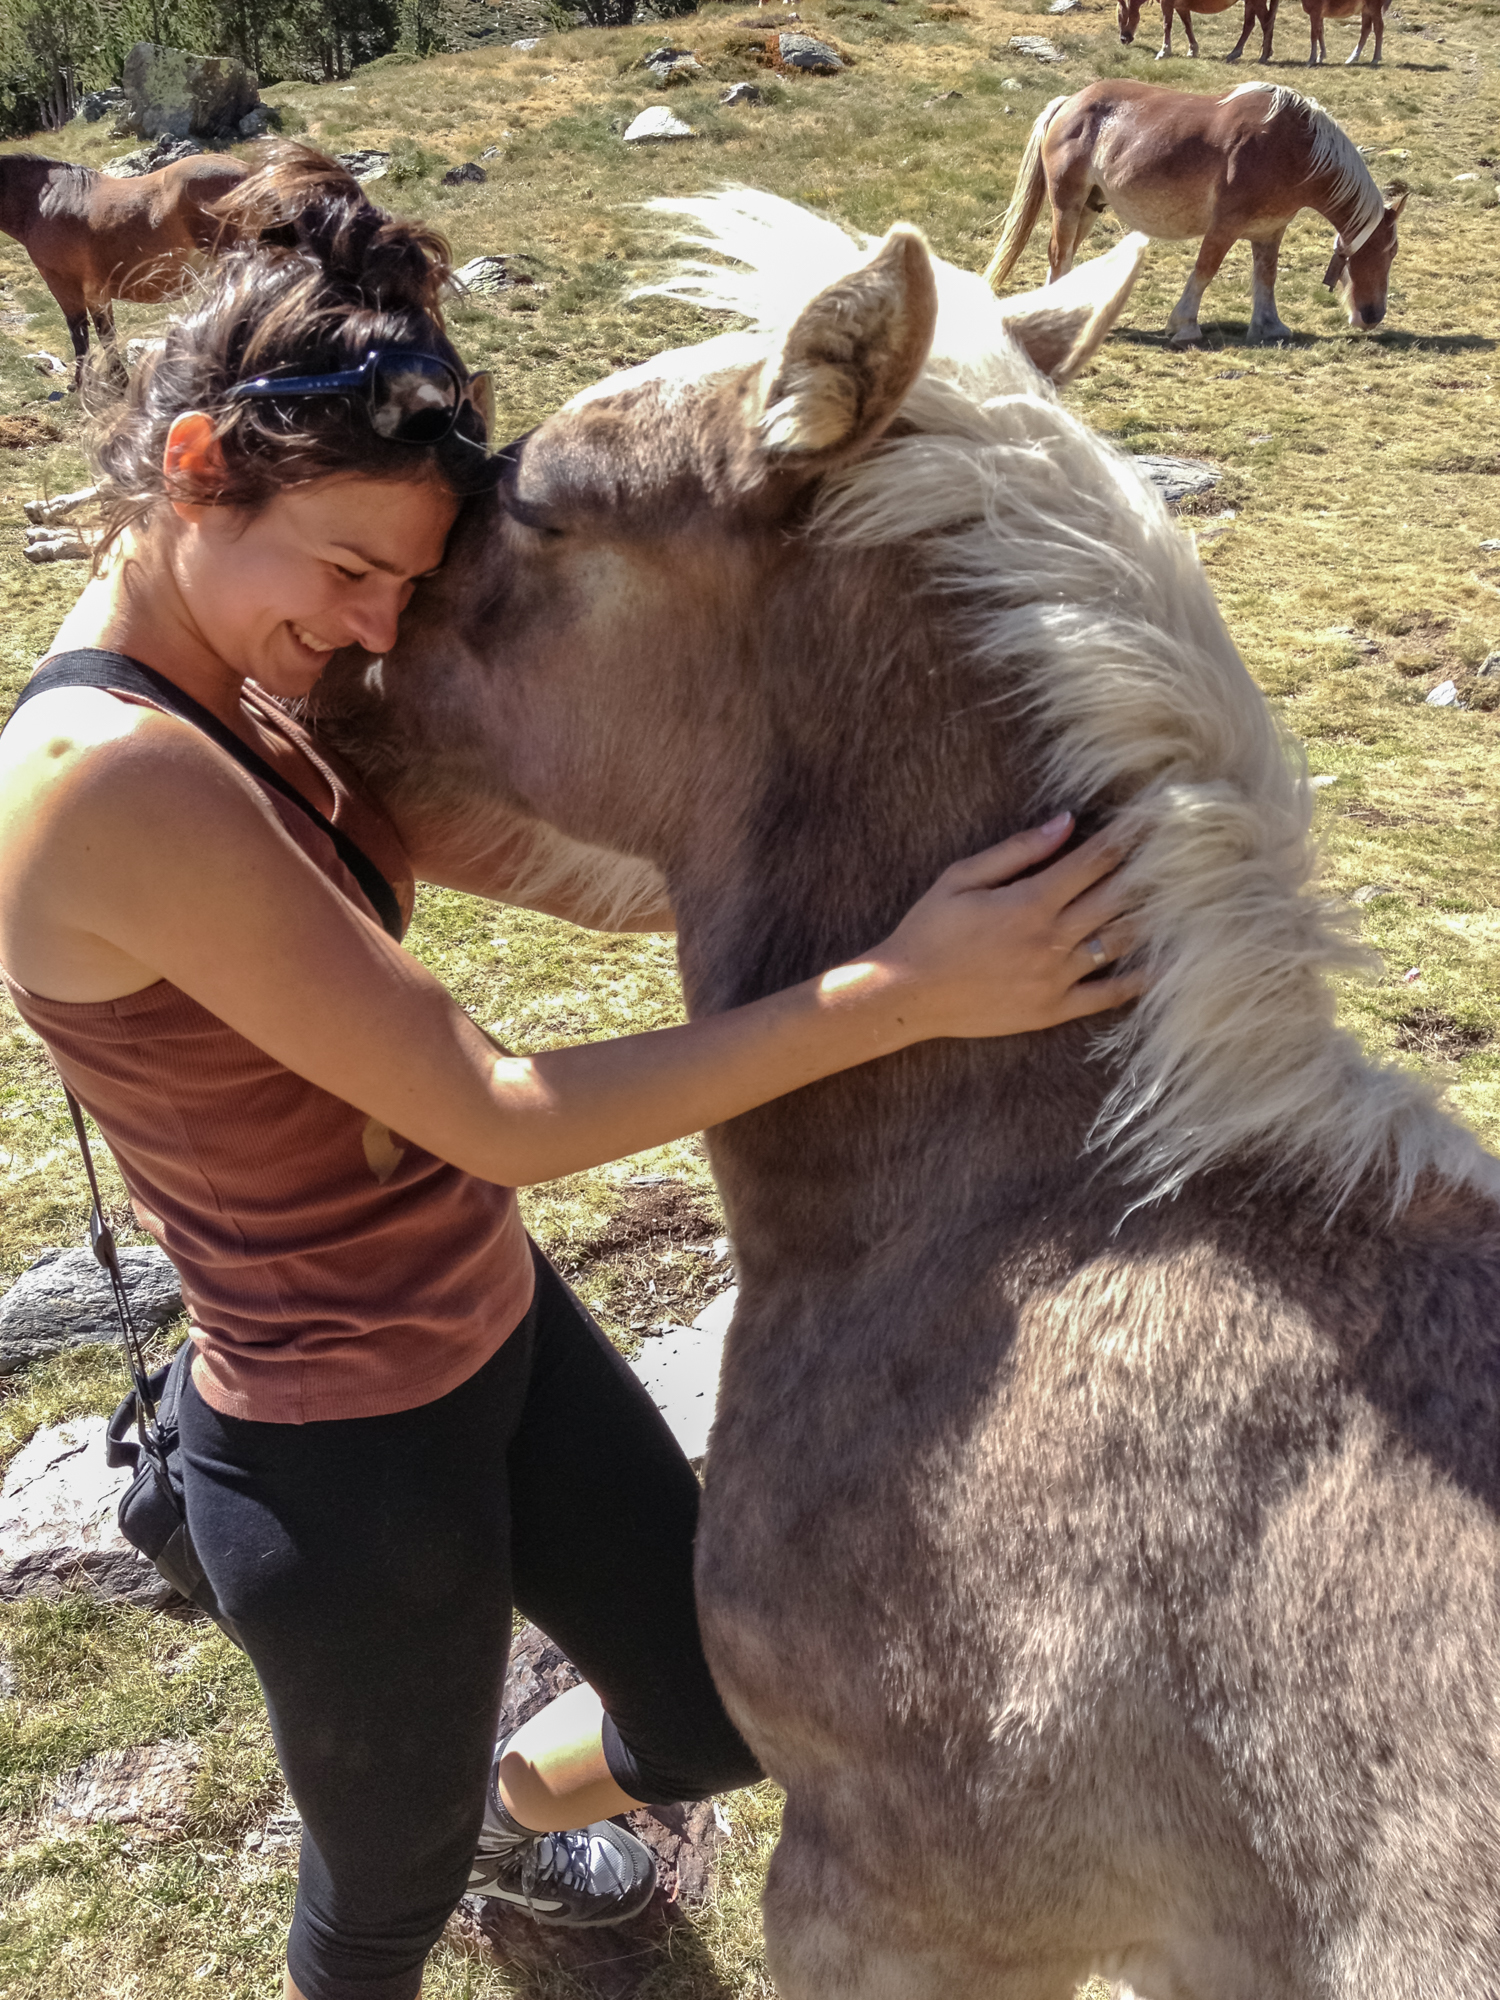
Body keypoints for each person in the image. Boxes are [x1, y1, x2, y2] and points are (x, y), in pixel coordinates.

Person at [0, 146, 1142, 2000]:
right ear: (199, 471)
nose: (380, 628)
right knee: (380, 1893)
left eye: (409, 581)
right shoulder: (106, 782)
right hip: (334, 1442)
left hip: (490, 1323)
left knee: (713, 1710)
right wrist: (903, 987)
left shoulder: (248, 687)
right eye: (355, 569)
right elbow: (496, 1112)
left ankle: (526, 1814)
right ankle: (438, 1846)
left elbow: (549, 855)